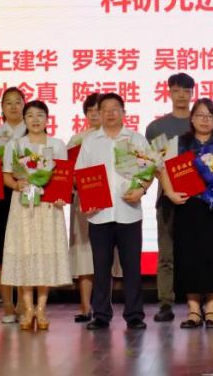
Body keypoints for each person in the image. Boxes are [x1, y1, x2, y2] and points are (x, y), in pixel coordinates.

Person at [159, 99, 213, 329]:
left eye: (210, 116)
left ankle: (212, 310)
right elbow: (164, 170)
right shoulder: (178, 142)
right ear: (192, 118)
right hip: (187, 206)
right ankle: (193, 310)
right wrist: (170, 193)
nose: (205, 120)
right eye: (200, 115)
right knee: (188, 257)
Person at [76, 93, 152, 331]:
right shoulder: (90, 141)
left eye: (115, 108)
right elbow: (80, 175)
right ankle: (101, 315)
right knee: (101, 268)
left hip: (129, 212)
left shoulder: (136, 139)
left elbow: (150, 170)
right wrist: (87, 199)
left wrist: (142, 189)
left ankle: (134, 315)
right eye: (105, 109)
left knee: (132, 268)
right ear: (98, 113)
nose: (110, 113)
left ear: (124, 112)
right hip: (99, 215)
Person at [1, 100, 71, 331]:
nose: (35, 120)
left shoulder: (57, 144)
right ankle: (27, 309)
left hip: (49, 207)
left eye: (40, 115)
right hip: (23, 206)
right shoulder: (15, 145)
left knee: (44, 252)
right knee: (26, 252)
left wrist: (61, 196)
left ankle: (41, 309)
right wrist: (17, 184)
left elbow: (63, 177)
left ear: (47, 119)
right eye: (30, 115)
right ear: (24, 119)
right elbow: (6, 176)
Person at [145, 72, 194, 323]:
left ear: (192, 93)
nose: (181, 95)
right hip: (167, 197)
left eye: (186, 91)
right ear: (169, 92)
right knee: (166, 253)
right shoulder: (157, 128)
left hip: (197, 198)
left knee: (196, 252)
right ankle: (165, 303)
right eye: (176, 90)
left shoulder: (201, 122)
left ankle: (196, 305)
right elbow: (152, 164)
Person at [0, 87, 27, 324]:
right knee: (1, 250)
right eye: (8, 102)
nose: (13, 106)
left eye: (17, 102)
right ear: (1, 107)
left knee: (23, 248)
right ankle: (8, 306)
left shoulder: (32, 131)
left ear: (24, 105)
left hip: (25, 193)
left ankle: (23, 303)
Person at [67, 92, 100, 323]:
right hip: (82, 200)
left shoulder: (116, 139)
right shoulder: (76, 140)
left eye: (99, 110)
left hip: (108, 201)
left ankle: (103, 306)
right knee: (84, 253)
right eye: (90, 111)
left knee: (104, 255)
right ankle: (85, 306)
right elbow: (66, 173)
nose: (95, 115)